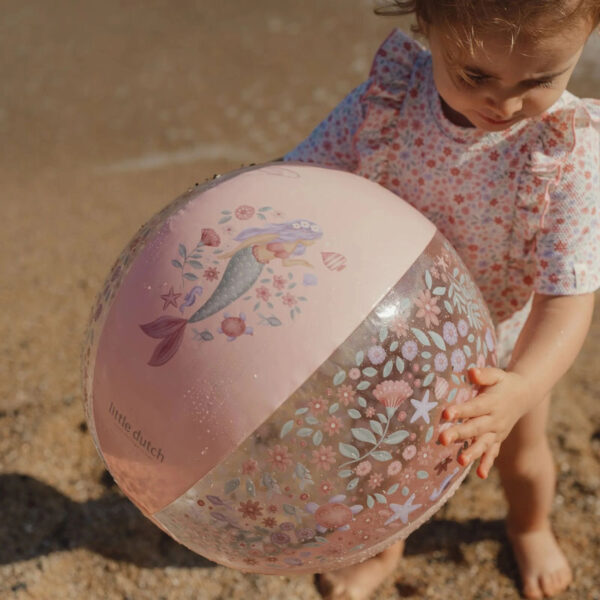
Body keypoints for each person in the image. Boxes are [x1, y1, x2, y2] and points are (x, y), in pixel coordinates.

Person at [282, 1, 600, 598]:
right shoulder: (388, 104)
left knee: (523, 455)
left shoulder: (567, 151)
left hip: (503, 355)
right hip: (388, 334)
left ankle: (529, 526)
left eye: (539, 80)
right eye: (475, 75)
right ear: (428, 23)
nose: (505, 105)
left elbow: (568, 299)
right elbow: (300, 182)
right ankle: (385, 547)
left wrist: (523, 387)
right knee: (381, 459)